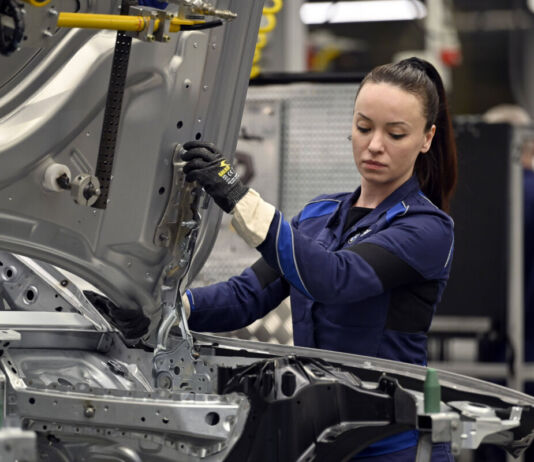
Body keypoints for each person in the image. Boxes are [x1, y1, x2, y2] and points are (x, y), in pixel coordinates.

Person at [179, 57, 457, 461]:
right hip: (320, 438)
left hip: (394, 443)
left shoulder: (428, 228)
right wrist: (174, 308)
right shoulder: (317, 215)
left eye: (396, 134)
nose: (374, 144)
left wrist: (238, 196)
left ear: (426, 139)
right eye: (364, 127)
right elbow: (245, 297)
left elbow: (336, 279)